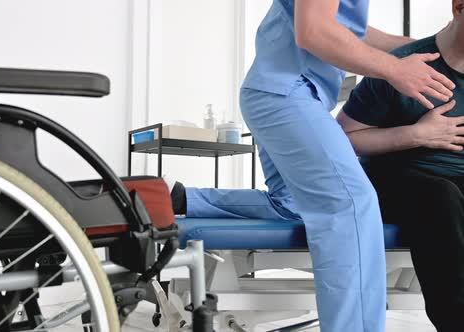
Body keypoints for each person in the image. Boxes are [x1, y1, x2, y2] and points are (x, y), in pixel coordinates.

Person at [172, 1, 456, 331]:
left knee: (293, 205)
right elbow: (315, 31)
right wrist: (396, 69)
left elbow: (349, 28)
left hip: (289, 93)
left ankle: (181, 200)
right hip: (286, 93)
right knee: (350, 204)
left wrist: (427, 46)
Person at [335, 2, 464, 330]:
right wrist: (418, 134)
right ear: (459, 7)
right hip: (402, 178)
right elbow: (343, 138)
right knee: (441, 196)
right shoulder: (404, 66)